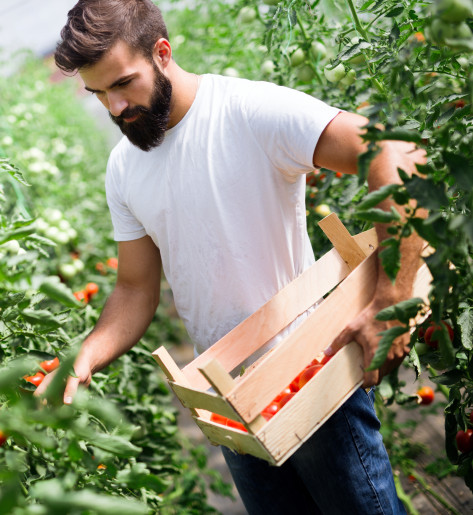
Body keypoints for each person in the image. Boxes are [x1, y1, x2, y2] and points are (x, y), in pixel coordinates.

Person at [35, 1, 427, 513]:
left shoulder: (246, 111)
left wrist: (392, 300)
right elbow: (134, 288)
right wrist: (86, 357)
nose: (114, 108)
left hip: (309, 380)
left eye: (123, 84)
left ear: (162, 52)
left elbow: (392, 152)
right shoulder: (124, 168)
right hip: (231, 404)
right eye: (98, 92)